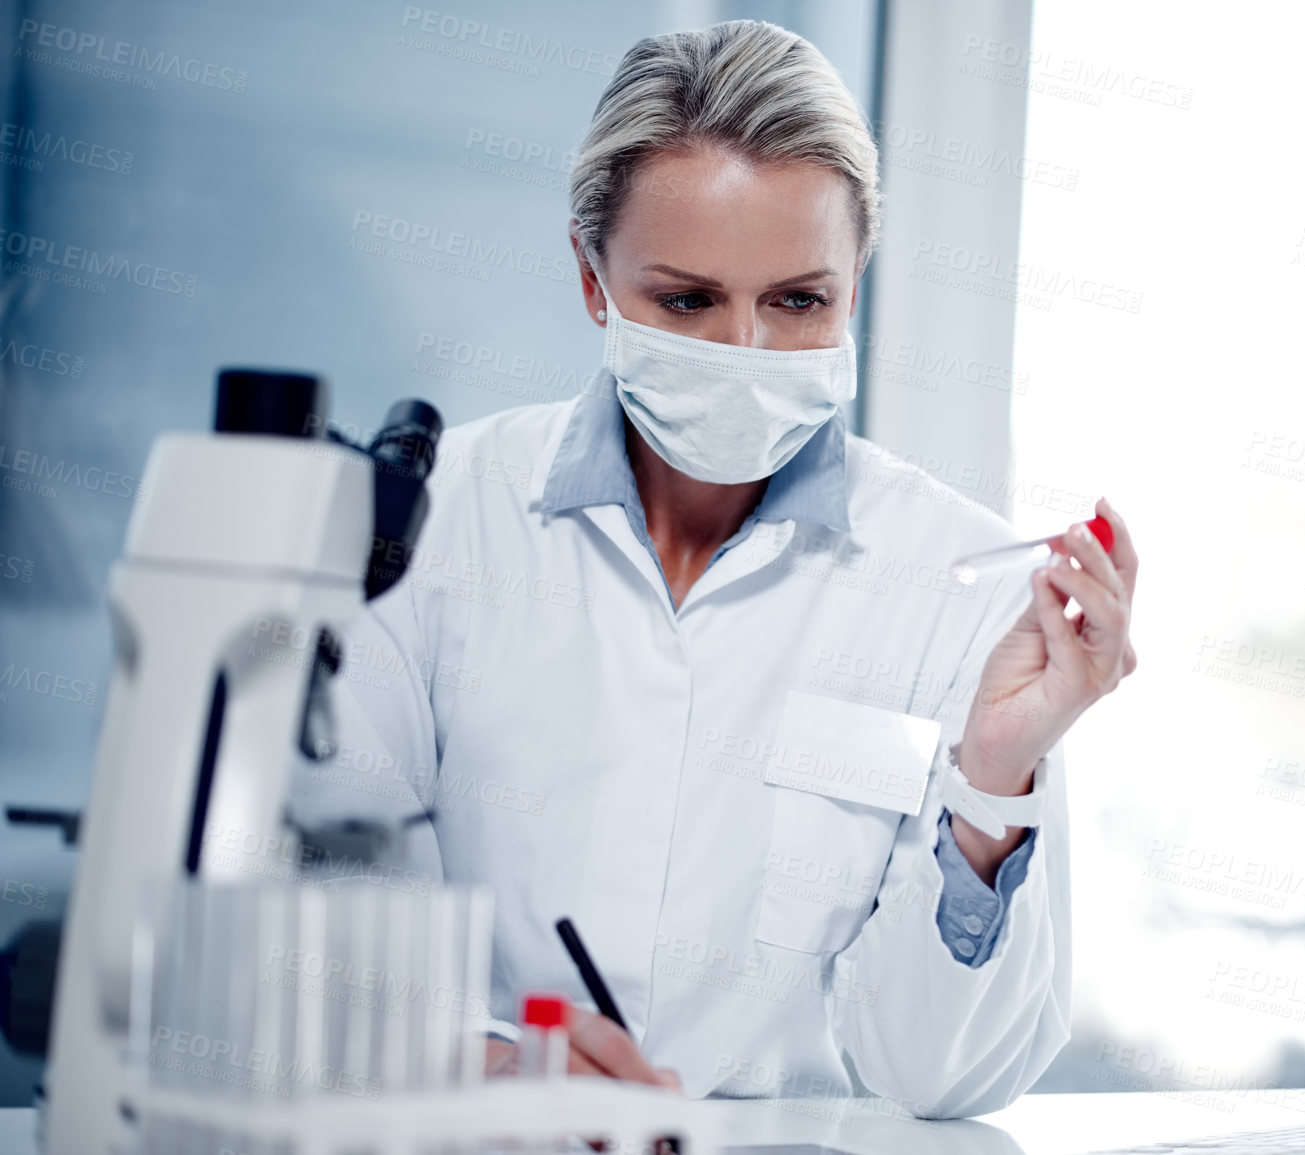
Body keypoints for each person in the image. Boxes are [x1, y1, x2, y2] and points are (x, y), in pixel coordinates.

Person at [298, 18, 1138, 1118]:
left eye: (800, 301)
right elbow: (308, 939)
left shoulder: (959, 588)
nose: (745, 353)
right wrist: (488, 1075)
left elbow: (947, 1080)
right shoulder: (427, 529)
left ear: (856, 284)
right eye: (687, 300)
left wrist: (991, 785)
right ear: (593, 281)